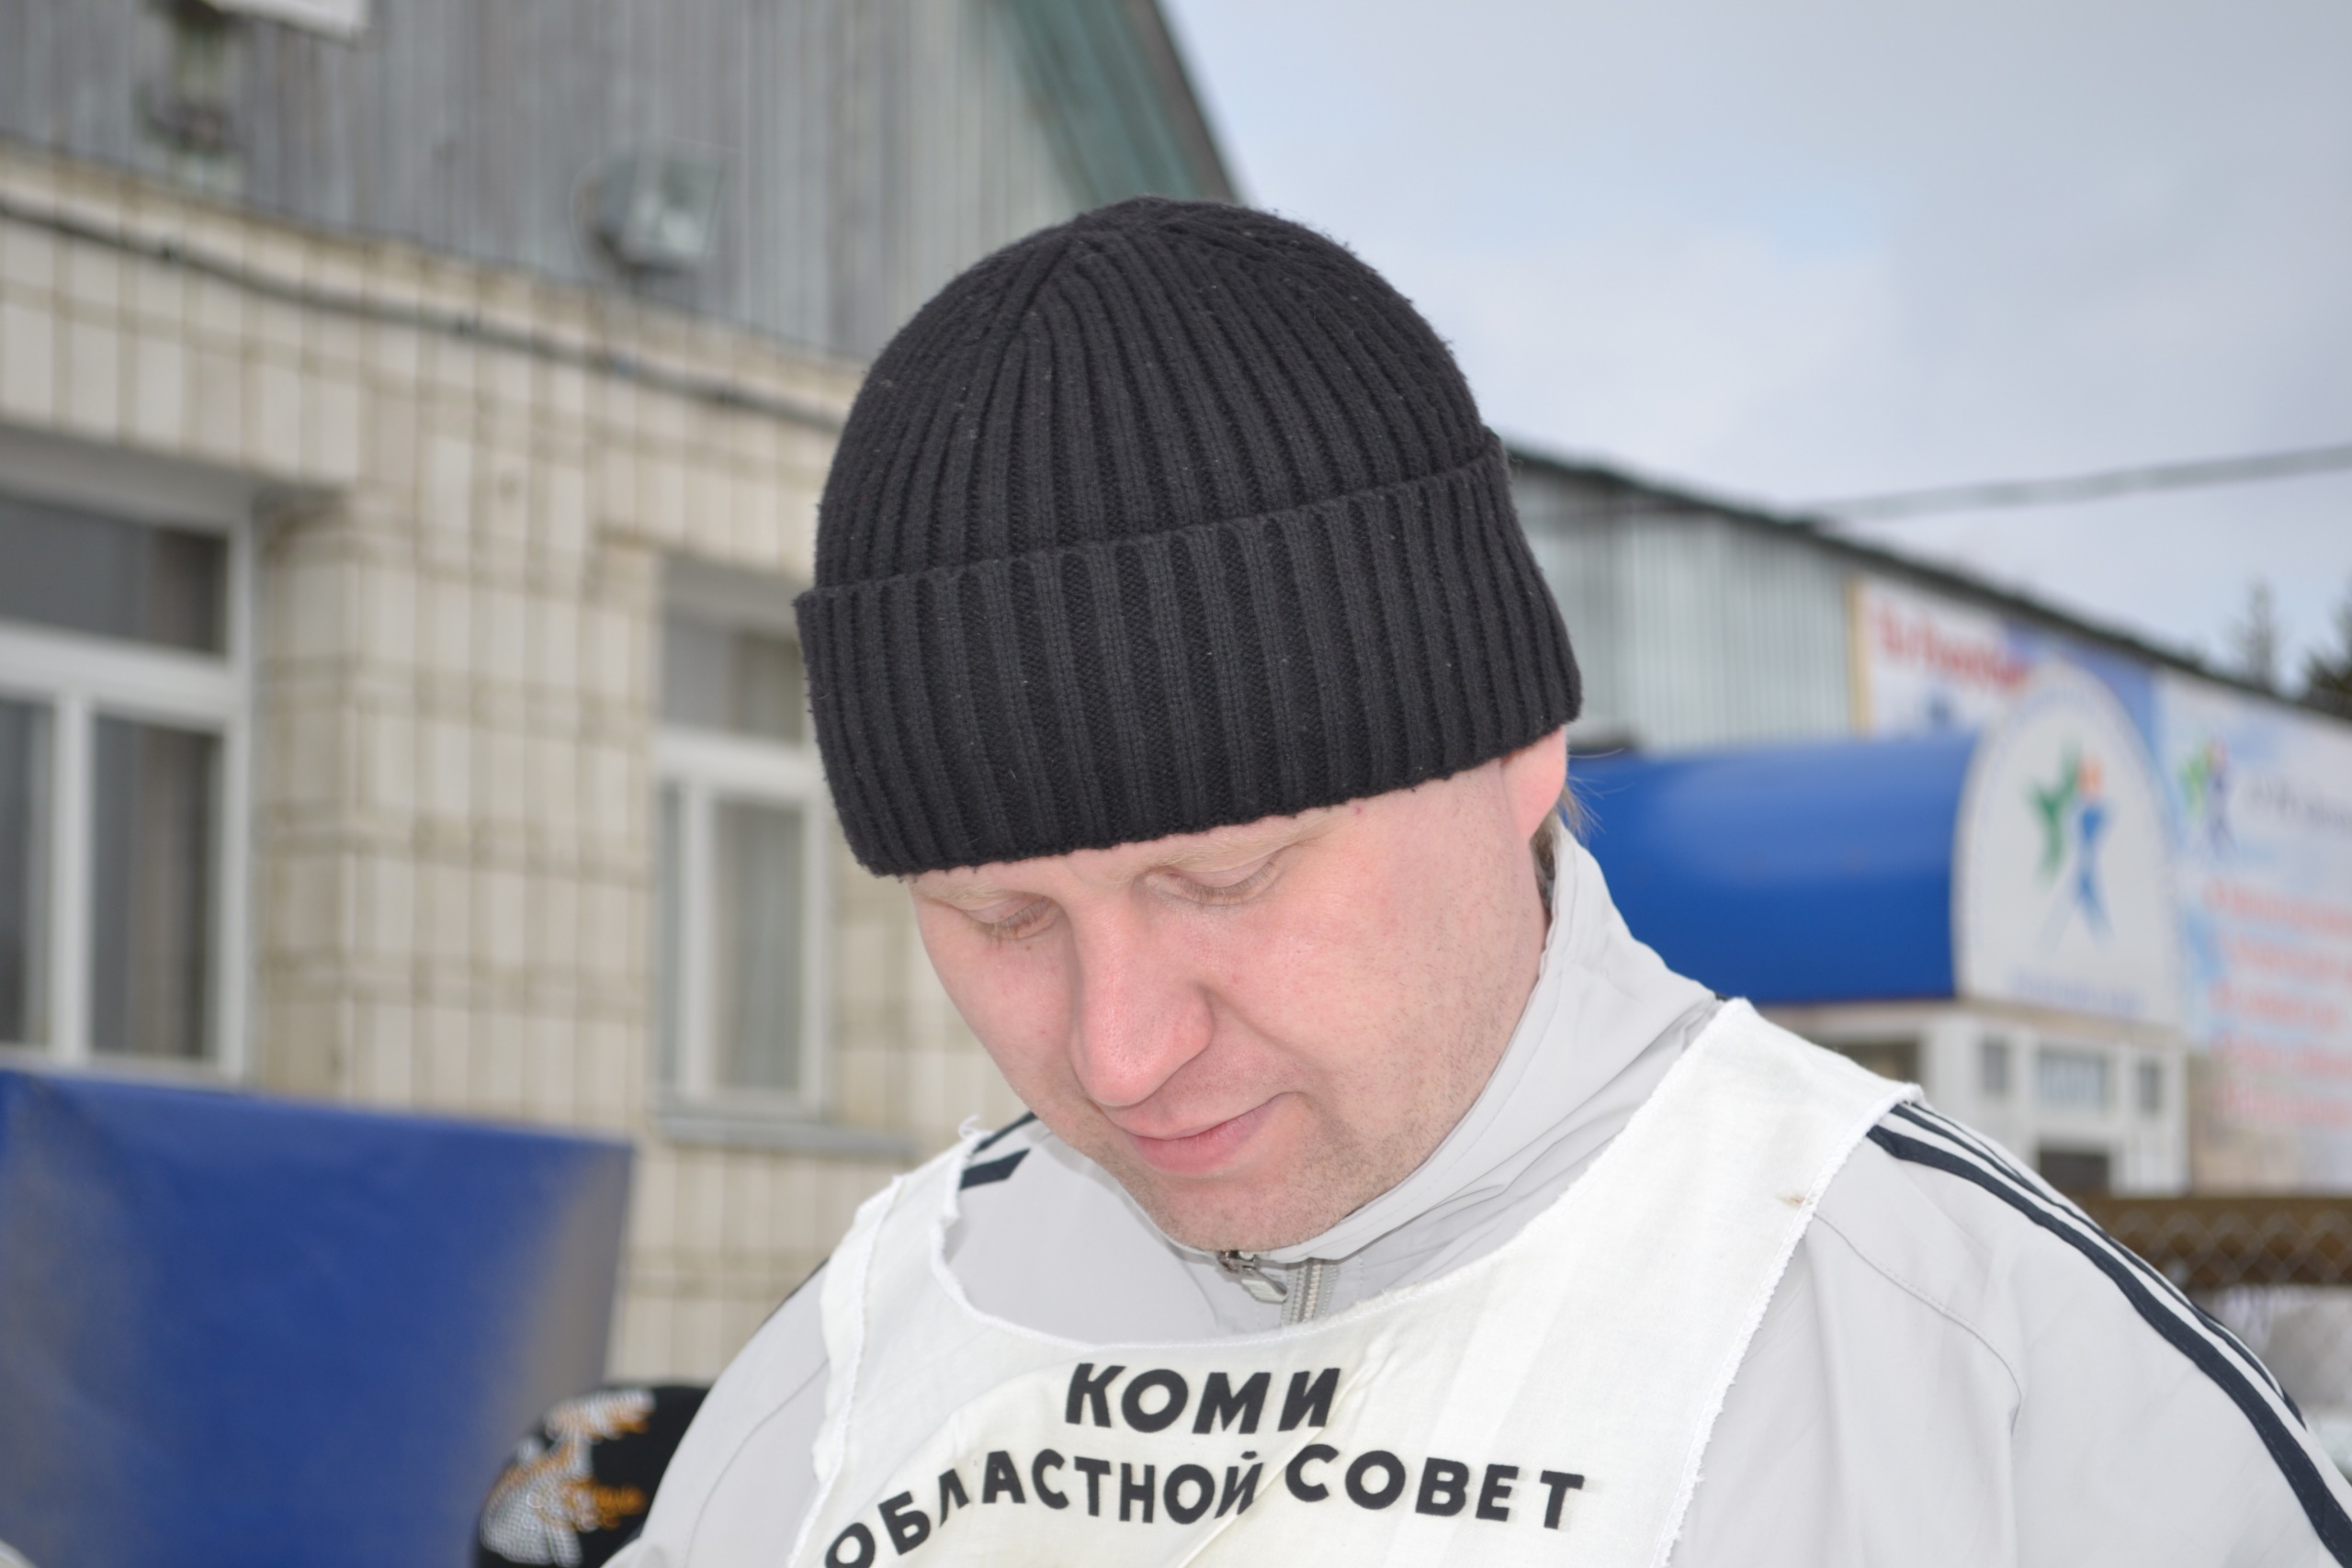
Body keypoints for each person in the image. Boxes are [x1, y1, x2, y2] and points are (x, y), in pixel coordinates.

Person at [614, 198, 2352, 1568]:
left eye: (1224, 878)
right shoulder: (860, 1370)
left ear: (1518, 747)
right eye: (1001, 921)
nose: (1121, 1052)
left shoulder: (1977, 1382)